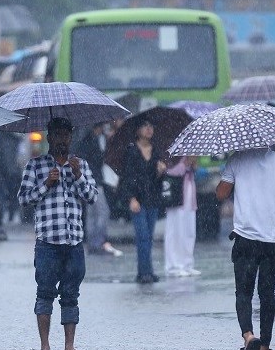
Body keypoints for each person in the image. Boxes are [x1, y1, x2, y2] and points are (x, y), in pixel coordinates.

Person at [17, 117, 98, 350]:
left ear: (71, 137)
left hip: (74, 241)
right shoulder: (36, 165)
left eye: (67, 135)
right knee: (45, 293)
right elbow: (23, 199)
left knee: (71, 294)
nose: (63, 139)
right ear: (49, 137)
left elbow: (92, 197)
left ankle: (69, 345)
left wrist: (78, 175)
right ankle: (44, 345)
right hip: (48, 242)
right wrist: (46, 184)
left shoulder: (80, 165)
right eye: (58, 135)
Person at [216, 147, 275, 350]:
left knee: (243, 292)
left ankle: (248, 335)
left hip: (246, 238)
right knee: (267, 293)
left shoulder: (237, 160)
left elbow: (221, 194)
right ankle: (265, 346)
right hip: (273, 239)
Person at [120, 118, 166, 283]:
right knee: (143, 236)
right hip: (137, 200)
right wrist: (131, 198)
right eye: (145, 126)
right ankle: (145, 272)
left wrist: (160, 172)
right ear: (138, 130)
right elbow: (127, 177)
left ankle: (145, 271)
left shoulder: (156, 151)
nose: (149, 129)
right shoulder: (131, 150)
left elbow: (155, 180)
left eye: (150, 126)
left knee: (149, 237)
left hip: (152, 199)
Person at [73, 122, 122, 257]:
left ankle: (93, 243)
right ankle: (97, 241)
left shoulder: (89, 140)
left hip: (92, 180)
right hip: (93, 181)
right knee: (102, 211)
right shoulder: (90, 141)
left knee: (92, 213)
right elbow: (96, 159)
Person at [163, 155, 199, 277]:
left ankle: (187, 263)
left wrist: (192, 166)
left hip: (189, 198)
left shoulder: (189, 152)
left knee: (189, 231)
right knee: (174, 232)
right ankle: (173, 266)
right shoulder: (173, 154)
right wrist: (185, 163)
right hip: (176, 197)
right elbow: (170, 172)